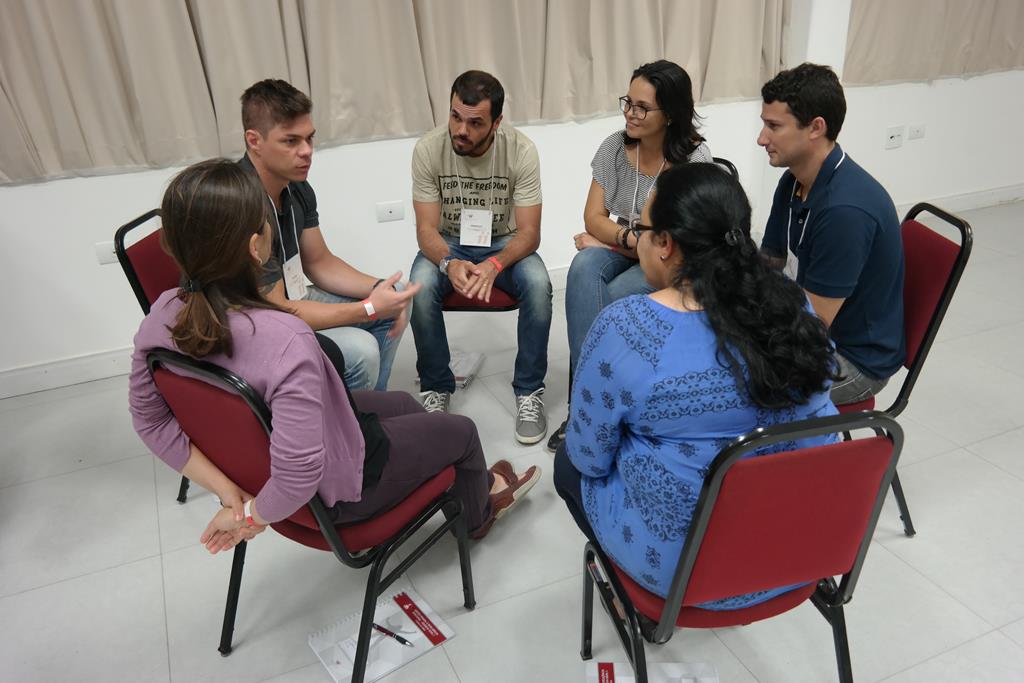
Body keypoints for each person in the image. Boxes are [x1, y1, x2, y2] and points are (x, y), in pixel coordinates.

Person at [129, 159, 540, 553]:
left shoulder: (160, 316)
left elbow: (150, 421)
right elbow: (298, 477)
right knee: (463, 432)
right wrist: (249, 515)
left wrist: (227, 491)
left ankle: (455, 486)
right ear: (256, 248)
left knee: (402, 403)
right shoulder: (285, 339)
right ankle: (478, 517)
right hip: (338, 495)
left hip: (288, 460)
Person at [554, 163, 839, 607]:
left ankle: (629, 594)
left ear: (666, 244)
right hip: (796, 553)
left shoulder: (625, 328)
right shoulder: (791, 304)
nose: (638, 240)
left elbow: (590, 457)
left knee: (567, 465)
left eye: (641, 230)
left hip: (685, 574)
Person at [549, 60, 713, 453]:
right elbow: (592, 217)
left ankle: (592, 409)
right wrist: (627, 240)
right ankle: (591, 406)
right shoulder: (615, 146)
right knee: (583, 266)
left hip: (668, 261)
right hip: (629, 243)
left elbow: (674, 241)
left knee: (609, 300)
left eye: (642, 107)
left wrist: (615, 240)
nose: (630, 114)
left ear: (669, 114)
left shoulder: (694, 159)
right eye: (628, 102)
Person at [239, 78, 416, 391]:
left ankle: (374, 406)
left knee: (396, 293)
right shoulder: (241, 203)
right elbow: (277, 309)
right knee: (361, 350)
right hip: (254, 323)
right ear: (254, 141)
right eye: (291, 141)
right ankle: (352, 419)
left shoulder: (296, 187)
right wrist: (368, 309)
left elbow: (319, 262)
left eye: (309, 138)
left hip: (289, 299)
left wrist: (379, 289)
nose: (307, 151)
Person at [409, 70, 552, 444]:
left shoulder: (521, 150)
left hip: (504, 244)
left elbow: (530, 233)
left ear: (496, 122)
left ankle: (529, 391)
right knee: (419, 286)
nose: (461, 130)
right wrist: (449, 263)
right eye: (455, 117)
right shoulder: (428, 149)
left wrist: (496, 263)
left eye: (475, 123)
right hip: (449, 243)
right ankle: (436, 386)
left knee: (539, 285)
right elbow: (426, 230)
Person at [758, 63, 905, 405]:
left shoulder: (845, 212)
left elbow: (814, 322)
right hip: (809, 326)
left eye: (774, 126)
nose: (761, 138)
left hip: (852, 359)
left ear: (816, 128)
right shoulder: (794, 180)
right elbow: (769, 262)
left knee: (734, 389)